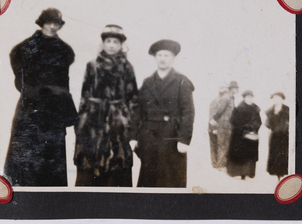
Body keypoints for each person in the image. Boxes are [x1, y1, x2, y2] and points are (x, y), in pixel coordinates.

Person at [4, 8, 78, 186]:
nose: (52, 27)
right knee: (26, 153)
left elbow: (64, 83)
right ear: (42, 23)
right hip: (31, 107)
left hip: (54, 110)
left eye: (56, 23)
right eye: (49, 22)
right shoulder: (25, 47)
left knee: (52, 157)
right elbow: (19, 77)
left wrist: (68, 111)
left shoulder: (64, 50)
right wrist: (31, 92)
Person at [74, 25, 138, 187]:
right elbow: (84, 98)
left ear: (120, 45)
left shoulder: (127, 67)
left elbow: (133, 100)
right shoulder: (92, 66)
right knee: (90, 166)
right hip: (93, 125)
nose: (111, 45)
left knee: (117, 167)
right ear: (103, 43)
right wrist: (81, 127)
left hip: (118, 127)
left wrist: (128, 127)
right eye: (108, 41)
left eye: (115, 42)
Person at [134, 39, 195, 187]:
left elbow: (188, 112)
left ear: (173, 58)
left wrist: (184, 139)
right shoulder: (147, 82)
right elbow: (138, 110)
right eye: (159, 55)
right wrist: (134, 137)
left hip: (171, 138)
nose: (162, 59)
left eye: (166, 55)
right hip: (149, 139)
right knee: (149, 179)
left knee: (170, 180)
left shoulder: (182, 81)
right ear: (155, 58)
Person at [227, 90, 262, 180]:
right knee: (241, 155)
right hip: (241, 136)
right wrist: (245, 128)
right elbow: (233, 121)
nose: (249, 99)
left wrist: (254, 128)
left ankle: (249, 173)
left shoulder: (255, 108)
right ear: (244, 98)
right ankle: (241, 174)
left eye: (250, 97)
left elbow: (259, 121)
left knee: (250, 155)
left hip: (252, 134)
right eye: (247, 97)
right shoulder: (239, 108)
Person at [208, 81, 238, 170]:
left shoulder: (226, 98)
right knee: (223, 145)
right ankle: (220, 165)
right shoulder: (227, 98)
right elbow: (219, 111)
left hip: (222, 125)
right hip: (224, 125)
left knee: (220, 145)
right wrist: (214, 121)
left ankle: (217, 164)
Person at [265, 92, 290, 180]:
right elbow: (267, 123)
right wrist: (271, 126)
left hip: (284, 136)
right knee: (275, 154)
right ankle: (277, 176)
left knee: (283, 154)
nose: (276, 100)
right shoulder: (270, 111)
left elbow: (290, 122)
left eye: (278, 98)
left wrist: (286, 126)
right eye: (274, 98)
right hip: (274, 136)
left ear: (282, 99)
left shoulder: (287, 110)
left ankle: (282, 174)